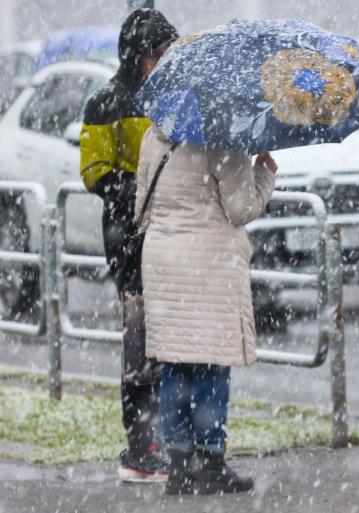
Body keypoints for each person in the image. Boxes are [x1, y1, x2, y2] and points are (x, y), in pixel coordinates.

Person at [135, 123, 277, 495]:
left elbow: (141, 207)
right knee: (212, 363)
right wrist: (264, 174)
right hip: (208, 261)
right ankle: (210, 462)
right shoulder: (224, 136)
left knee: (175, 363)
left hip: (163, 257)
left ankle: (180, 466)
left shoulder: (154, 135)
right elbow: (241, 208)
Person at [79, 9, 178, 482]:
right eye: (156, 54)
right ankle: (141, 445)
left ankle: (164, 439)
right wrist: (139, 188)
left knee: (170, 340)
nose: (162, 62)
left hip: (169, 232)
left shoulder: (172, 99)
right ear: (136, 55)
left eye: (167, 53)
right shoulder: (105, 103)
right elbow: (94, 172)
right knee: (140, 344)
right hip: (129, 238)